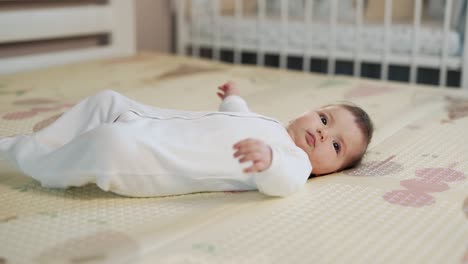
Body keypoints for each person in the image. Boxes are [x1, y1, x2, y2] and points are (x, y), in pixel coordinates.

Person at [0, 82, 373, 197]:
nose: (323, 132)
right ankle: (50, 143)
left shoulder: (295, 160)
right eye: (325, 118)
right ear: (311, 111)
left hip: (149, 157)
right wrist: (233, 98)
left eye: (336, 146)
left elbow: (283, 183)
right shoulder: (272, 124)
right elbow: (236, 117)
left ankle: (28, 158)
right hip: (147, 121)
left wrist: (270, 163)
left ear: (330, 170)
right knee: (106, 100)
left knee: (107, 144)